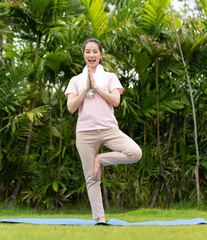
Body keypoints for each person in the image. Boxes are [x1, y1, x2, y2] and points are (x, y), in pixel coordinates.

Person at [65, 39, 142, 223]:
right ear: (83, 54)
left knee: (135, 153)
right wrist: (86, 89)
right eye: (87, 52)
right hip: (85, 133)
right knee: (91, 177)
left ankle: (101, 159)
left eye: (95, 52)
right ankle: (100, 219)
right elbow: (71, 107)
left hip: (109, 129)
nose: (91, 55)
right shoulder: (76, 80)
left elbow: (115, 101)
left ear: (101, 54)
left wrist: (97, 88)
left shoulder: (110, 77)